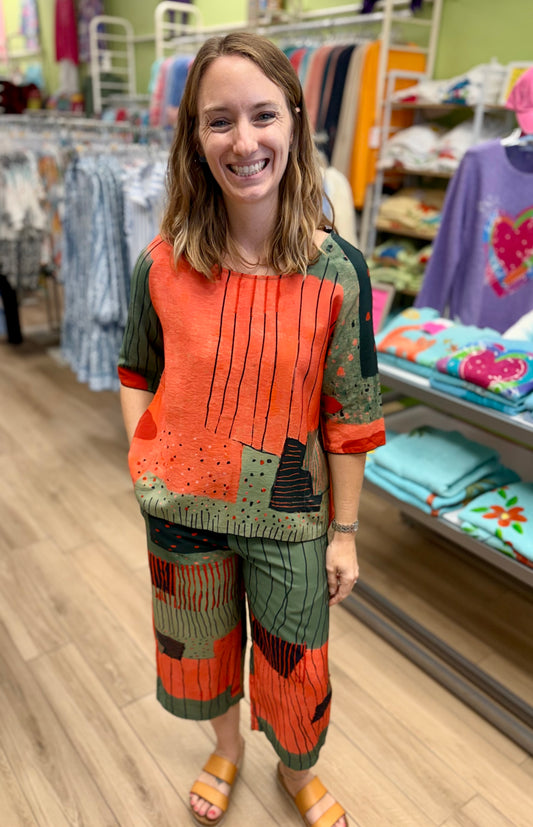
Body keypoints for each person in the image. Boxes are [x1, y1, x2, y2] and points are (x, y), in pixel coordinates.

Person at [118, 32, 385, 827]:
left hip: (290, 518)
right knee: (199, 649)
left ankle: (296, 769)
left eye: (262, 115)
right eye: (219, 120)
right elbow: (136, 370)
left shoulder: (337, 271)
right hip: (182, 508)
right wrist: (144, 461)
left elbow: (350, 414)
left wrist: (344, 533)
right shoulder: (162, 263)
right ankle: (226, 747)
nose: (243, 141)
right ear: (194, 137)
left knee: (296, 661)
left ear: (295, 121)